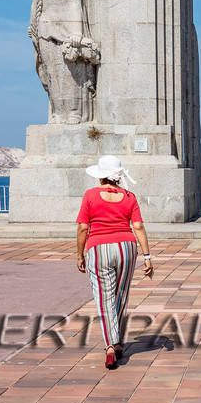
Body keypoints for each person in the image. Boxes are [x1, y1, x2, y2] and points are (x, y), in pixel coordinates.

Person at [75, 155, 153, 370]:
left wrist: (80, 254)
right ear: (118, 177)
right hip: (127, 248)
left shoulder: (90, 195)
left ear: (101, 177)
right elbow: (138, 226)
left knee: (104, 296)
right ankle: (116, 340)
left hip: (99, 247)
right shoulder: (129, 196)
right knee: (121, 294)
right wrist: (147, 256)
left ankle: (111, 345)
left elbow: (83, 227)